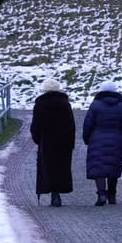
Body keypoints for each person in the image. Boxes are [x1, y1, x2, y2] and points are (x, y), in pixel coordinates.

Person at [83, 81, 122, 206]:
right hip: (116, 139)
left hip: (97, 139)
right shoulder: (121, 106)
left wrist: (87, 138)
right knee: (113, 167)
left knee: (99, 167)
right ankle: (112, 195)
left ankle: (101, 194)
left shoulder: (95, 105)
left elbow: (88, 124)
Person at [30, 79, 75, 207]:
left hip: (47, 141)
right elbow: (71, 125)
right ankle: (57, 192)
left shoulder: (40, 104)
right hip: (63, 141)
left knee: (48, 167)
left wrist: (37, 139)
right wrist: (71, 142)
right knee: (61, 167)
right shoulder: (65, 104)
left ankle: (53, 192)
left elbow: (36, 126)